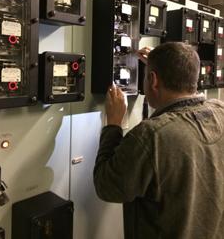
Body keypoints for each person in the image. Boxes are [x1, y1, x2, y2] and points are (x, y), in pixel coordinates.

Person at [93, 42, 224, 239]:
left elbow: (106, 186)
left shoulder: (150, 135)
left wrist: (113, 124)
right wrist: (163, 64)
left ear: (153, 80)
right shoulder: (220, 110)